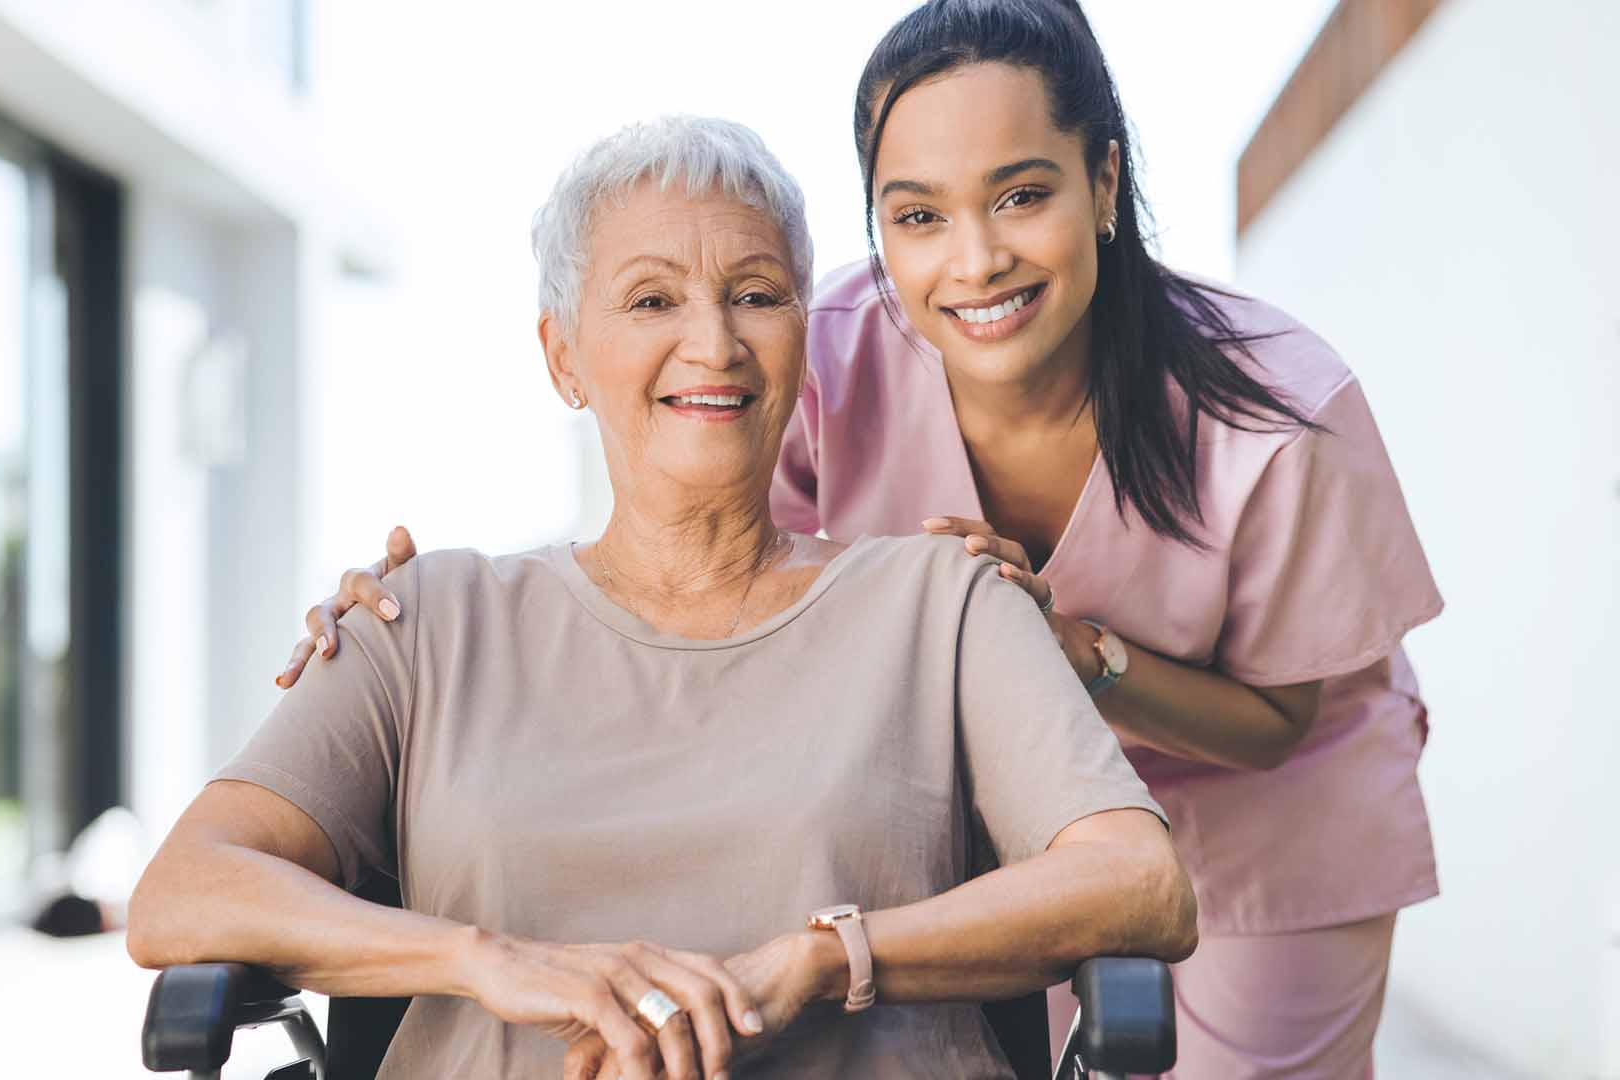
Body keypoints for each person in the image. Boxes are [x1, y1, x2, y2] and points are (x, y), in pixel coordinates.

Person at [280, 3, 1442, 1076]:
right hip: (1011, 823)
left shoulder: (1280, 412)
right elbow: (694, 565)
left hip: (1266, 804)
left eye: (1020, 196)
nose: (974, 260)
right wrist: (436, 624)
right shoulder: (818, 347)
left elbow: (1280, 720)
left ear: (1103, 180)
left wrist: (1082, 657)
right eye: (920, 216)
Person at [131, 116, 1196, 1080]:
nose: (714, 343)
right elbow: (185, 887)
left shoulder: (944, 603)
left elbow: (1140, 883)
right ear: (563, 357)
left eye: (757, 295)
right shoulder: (425, 622)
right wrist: (485, 960)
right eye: (651, 301)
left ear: (804, 343)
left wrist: (824, 961)